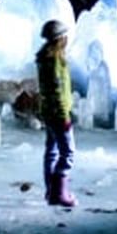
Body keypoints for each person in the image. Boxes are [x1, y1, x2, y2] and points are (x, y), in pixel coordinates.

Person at [36, 19, 77, 207]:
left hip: (48, 113)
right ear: (60, 39)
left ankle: (50, 190)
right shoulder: (55, 62)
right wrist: (64, 115)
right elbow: (57, 91)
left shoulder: (45, 59)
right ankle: (59, 193)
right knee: (68, 153)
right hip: (58, 115)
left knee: (51, 152)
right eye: (64, 36)